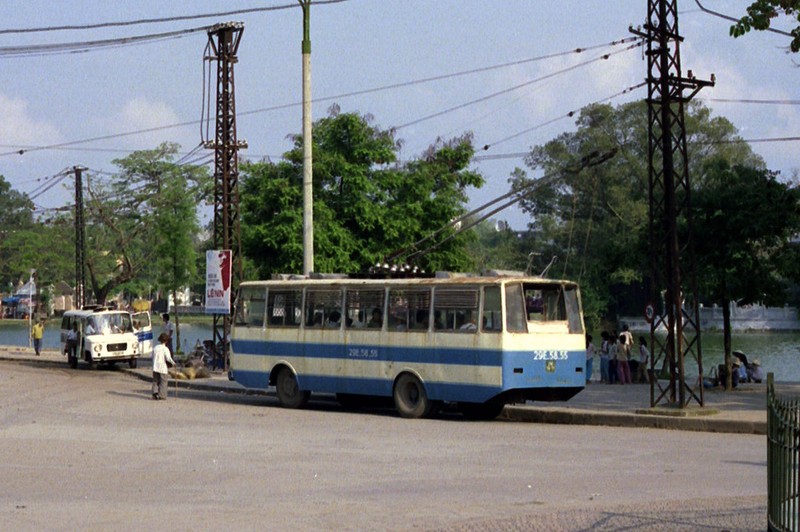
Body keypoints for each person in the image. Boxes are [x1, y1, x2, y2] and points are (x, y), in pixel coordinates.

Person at [152, 332, 175, 400]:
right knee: (163, 382)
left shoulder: (155, 348)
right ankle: (161, 395)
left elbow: (152, 356)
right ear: (166, 341)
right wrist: (173, 363)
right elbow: (168, 358)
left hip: (155, 367)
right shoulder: (165, 349)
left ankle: (154, 393)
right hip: (162, 368)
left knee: (155, 381)